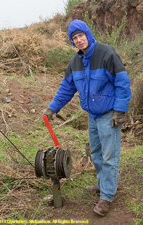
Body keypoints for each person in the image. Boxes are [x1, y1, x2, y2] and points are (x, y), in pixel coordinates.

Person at [43, 19, 132, 216]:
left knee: (110, 156)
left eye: (80, 35)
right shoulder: (75, 62)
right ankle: (102, 184)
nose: (78, 40)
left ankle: (107, 196)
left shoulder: (106, 53)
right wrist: (52, 108)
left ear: (88, 35)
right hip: (92, 115)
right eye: (74, 38)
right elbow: (66, 88)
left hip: (109, 114)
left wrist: (120, 111)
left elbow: (122, 83)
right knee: (96, 154)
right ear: (72, 42)